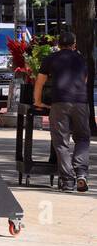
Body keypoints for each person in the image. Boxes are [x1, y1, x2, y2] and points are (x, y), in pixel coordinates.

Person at [33, 31, 90, 193]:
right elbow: (84, 80)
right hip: (80, 102)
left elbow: (39, 82)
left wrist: (38, 102)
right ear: (74, 45)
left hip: (59, 102)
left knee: (61, 142)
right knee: (82, 138)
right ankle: (81, 174)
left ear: (58, 45)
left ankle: (67, 182)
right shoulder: (81, 59)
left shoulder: (51, 58)